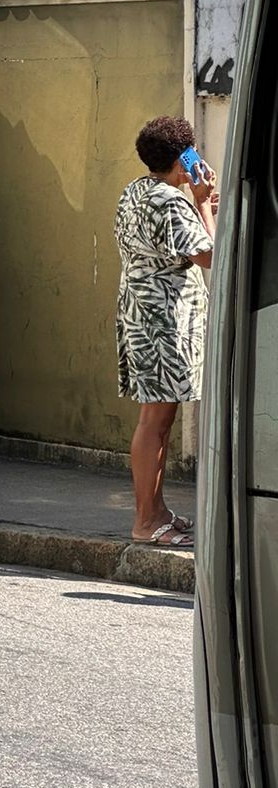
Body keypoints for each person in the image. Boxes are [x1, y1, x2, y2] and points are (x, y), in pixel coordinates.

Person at [115, 116, 217, 550]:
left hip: (141, 316)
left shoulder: (135, 192)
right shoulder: (171, 203)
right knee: (156, 422)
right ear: (181, 161)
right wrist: (205, 201)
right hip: (163, 325)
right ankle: (145, 521)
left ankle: (155, 513)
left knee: (155, 420)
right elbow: (212, 255)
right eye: (190, 153)